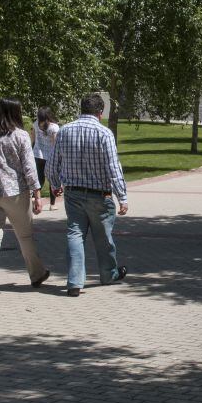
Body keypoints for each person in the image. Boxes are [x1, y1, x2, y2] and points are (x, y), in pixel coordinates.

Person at [47, 93, 128, 298]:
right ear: (100, 113)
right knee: (104, 239)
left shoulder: (64, 131)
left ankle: (74, 282)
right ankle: (108, 274)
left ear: (81, 109)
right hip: (100, 196)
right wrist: (122, 197)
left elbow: (51, 165)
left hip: (73, 194)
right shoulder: (104, 133)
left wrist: (56, 185)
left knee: (75, 235)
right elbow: (113, 168)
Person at [0, 98, 50, 300]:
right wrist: (37, 194)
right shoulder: (20, 135)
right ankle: (36, 275)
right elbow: (29, 166)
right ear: (15, 113)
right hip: (15, 193)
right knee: (25, 236)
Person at [31, 107, 60, 210]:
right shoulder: (54, 127)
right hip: (50, 157)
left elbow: (33, 139)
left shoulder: (35, 124)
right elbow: (55, 143)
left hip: (37, 155)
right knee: (52, 179)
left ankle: (34, 198)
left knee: (39, 178)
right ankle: (52, 204)